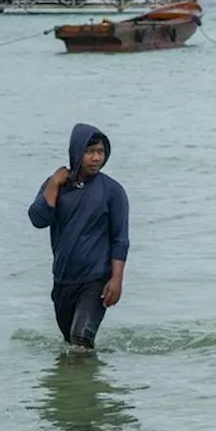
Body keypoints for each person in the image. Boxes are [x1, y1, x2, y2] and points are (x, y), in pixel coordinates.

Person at [27, 123, 130, 351]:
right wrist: (54, 184)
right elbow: (38, 219)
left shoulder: (112, 191)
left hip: (95, 280)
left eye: (100, 152)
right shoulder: (57, 185)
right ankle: (78, 385)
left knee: (81, 339)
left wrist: (116, 279)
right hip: (63, 281)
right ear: (76, 151)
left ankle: (88, 384)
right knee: (70, 345)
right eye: (89, 151)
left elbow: (120, 239)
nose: (95, 158)